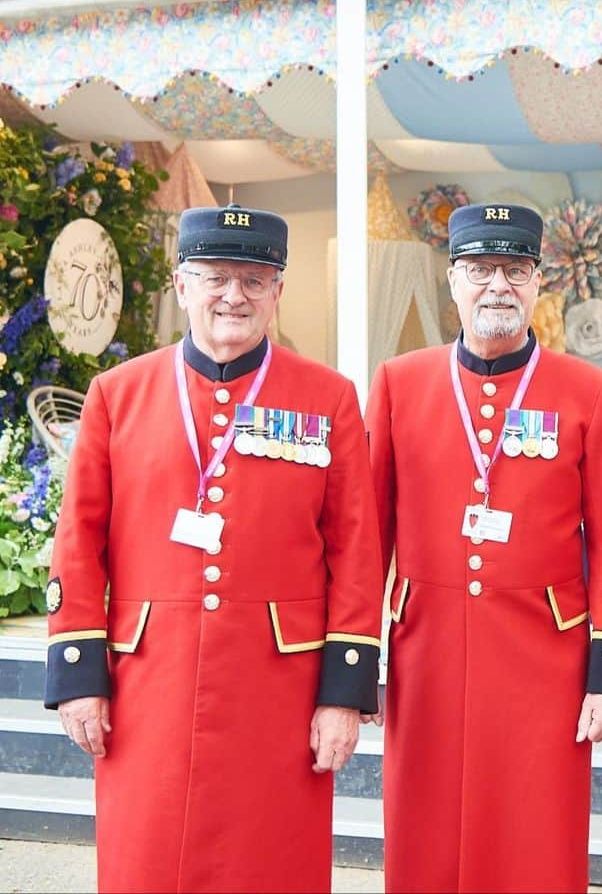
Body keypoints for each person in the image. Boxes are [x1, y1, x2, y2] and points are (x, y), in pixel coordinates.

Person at [44, 204, 384, 893]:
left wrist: (343, 692)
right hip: (149, 682)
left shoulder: (329, 398)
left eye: (255, 280)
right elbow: (78, 538)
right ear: (182, 285)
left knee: (272, 857)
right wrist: (80, 676)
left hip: (279, 689)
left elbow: (355, 549)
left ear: (278, 292)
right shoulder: (118, 394)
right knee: (148, 851)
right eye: (215, 277)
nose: (234, 295)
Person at [367, 202, 602, 893]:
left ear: (538, 281)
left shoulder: (592, 391)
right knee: (423, 820)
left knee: (535, 826)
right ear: (453, 281)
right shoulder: (401, 383)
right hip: (424, 645)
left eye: (515, 270)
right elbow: (366, 531)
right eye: (482, 269)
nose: (498, 286)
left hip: (544, 652)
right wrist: (352, 657)